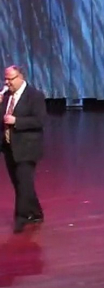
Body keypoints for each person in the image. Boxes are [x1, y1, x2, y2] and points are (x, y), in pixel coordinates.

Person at [1, 66, 46, 234]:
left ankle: (20, 218)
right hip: (9, 147)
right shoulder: (5, 97)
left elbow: (39, 121)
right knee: (20, 183)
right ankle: (35, 213)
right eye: (5, 79)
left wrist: (16, 121)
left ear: (21, 78)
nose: (7, 83)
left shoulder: (35, 96)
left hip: (27, 147)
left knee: (23, 183)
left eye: (10, 79)